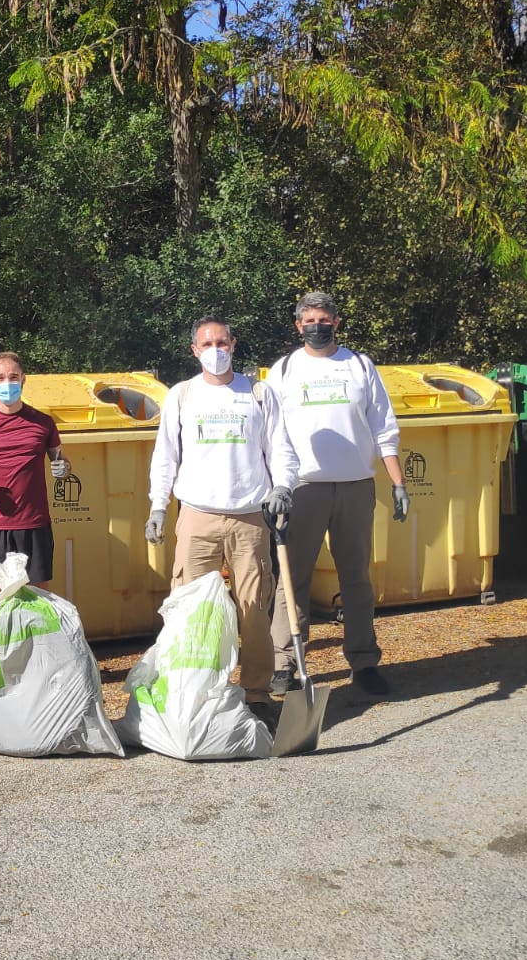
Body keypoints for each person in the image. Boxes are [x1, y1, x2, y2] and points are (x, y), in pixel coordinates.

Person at [145, 316, 298, 702]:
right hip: (197, 517)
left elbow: (280, 448)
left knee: (254, 613)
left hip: (250, 518)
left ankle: (258, 694)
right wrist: (158, 507)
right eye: (207, 344)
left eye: (222, 343)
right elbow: (165, 457)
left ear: (233, 344)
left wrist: (283, 486)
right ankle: (194, 693)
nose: (216, 350)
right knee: (192, 611)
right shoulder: (182, 395)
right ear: (194, 350)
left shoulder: (258, 394)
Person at [268, 291, 406, 698]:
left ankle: (363, 662)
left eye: (324, 319)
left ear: (337, 322)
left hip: (355, 486)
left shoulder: (360, 366)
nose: (317, 326)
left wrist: (398, 482)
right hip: (302, 487)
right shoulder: (284, 370)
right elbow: (272, 434)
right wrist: (276, 485)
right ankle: (285, 665)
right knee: (291, 581)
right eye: (309, 320)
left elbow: (384, 427)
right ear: (298, 325)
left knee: (357, 579)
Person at [0, 351, 68, 594]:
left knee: (38, 597)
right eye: (1, 377)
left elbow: (61, 459)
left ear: (24, 379)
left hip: (34, 523)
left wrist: (62, 468)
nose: (8, 383)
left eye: (13, 377)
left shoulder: (43, 423)